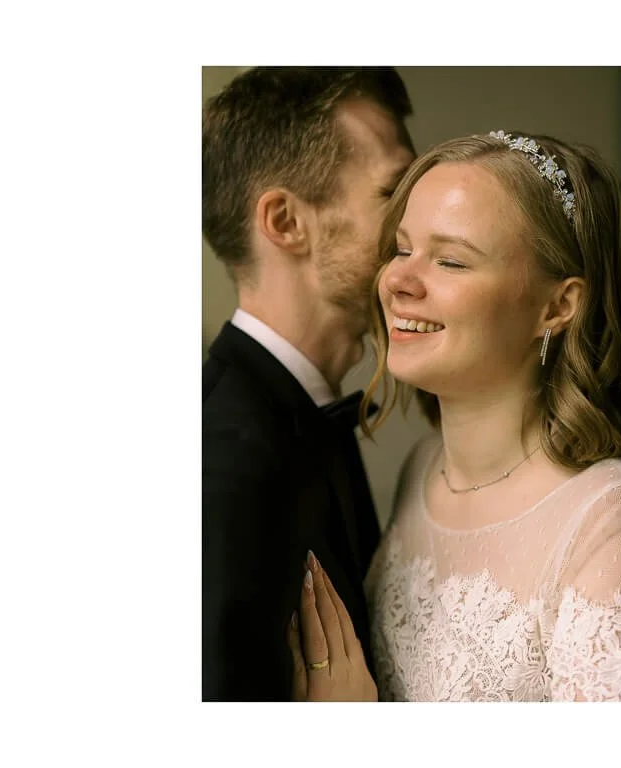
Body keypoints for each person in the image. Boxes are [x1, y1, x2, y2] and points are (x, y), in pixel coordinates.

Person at [288, 129, 621, 701]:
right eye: (400, 249)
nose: (396, 280)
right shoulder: (423, 469)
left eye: (450, 261)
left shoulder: (611, 527)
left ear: (558, 305)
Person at [202, 67, 416, 700]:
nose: (417, 230)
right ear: (286, 222)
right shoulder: (223, 468)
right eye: (393, 195)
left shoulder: (300, 414)